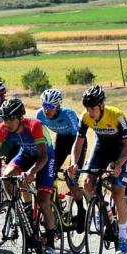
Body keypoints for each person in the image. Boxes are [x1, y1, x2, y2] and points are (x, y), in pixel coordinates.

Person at [0, 97, 59, 254]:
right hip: (25, 154)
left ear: (20, 117)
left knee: (42, 199)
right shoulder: (3, 128)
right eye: (4, 118)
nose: (7, 123)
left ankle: (51, 245)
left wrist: (32, 172)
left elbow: (44, 156)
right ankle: (23, 209)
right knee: (7, 176)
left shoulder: (34, 126)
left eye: (10, 118)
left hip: (44, 157)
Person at [67, 84, 127, 254]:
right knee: (87, 184)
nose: (90, 112)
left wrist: (119, 164)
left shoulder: (117, 116)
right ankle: (102, 210)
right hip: (102, 148)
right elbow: (79, 142)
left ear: (102, 105)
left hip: (121, 150)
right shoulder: (85, 117)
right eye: (87, 108)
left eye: (93, 108)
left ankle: (123, 237)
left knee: (118, 191)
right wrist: (74, 163)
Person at [37, 88, 84, 221]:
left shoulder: (68, 114)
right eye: (45, 105)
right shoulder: (39, 115)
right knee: (50, 172)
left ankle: (81, 209)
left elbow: (78, 137)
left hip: (76, 141)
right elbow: (37, 137)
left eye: (50, 106)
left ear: (58, 106)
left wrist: (73, 164)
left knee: (71, 178)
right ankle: (55, 205)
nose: (47, 110)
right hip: (62, 140)